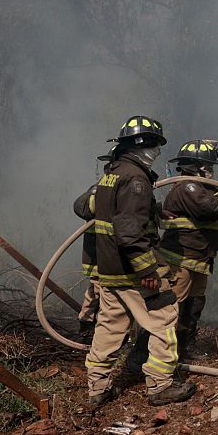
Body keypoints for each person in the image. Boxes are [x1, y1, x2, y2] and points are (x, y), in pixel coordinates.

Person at [74, 116, 196, 409]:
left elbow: (111, 213)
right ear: (140, 145)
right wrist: (148, 272)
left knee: (110, 326)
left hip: (110, 269)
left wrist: (153, 212)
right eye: (153, 144)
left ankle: (97, 389)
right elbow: (129, 232)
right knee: (165, 317)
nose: (155, 151)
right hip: (132, 271)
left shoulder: (112, 175)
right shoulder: (136, 179)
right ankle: (160, 385)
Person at [126, 140, 218, 367]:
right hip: (180, 262)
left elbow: (217, 221)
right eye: (208, 165)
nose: (211, 170)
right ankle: (141, 357)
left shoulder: (203, 192)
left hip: (200, 261)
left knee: (193, 308)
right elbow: (211, 208)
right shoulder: (187, 187)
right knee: (170, 309)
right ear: (197, 166)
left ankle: (183, 348)